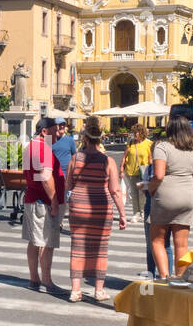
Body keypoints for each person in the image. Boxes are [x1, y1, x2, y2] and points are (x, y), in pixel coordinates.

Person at [64, 115, 127, 302]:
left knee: (77, 247)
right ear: (102, 137)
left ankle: (75, 290)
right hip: (101, 208)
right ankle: (99, 291)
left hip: (78, 208)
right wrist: (122, 214)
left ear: (85, 137)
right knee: (100, 249)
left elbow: (68, 186)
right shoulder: (108, 161)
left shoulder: (75, 159)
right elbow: (115, 191)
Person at [147, 116, 193, 280]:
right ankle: (180, 279)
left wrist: (151, 189)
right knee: (182, 244)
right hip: (188, 197)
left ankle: (165, 277)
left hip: (166, 196)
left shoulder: (163, 147)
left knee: (157, 241)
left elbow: (159, 175)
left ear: (169, 130)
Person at [22, 118, 64, 293]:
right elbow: (45, 177)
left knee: (34, 241)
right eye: (55, 130)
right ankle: (47, 281)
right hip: (43, 201)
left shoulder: (30, 147)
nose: (58, 134)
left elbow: (30, 175)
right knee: (47, 242)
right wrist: (54, 201)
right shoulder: (43, 148)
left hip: (33, 198)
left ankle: (34, 278)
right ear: (45, 132)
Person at [122, 124, 152, 224]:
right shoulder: (130, 143)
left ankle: (142, 212)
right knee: (134, 193)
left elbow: (151, 159)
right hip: (131, 171)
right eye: (134, 132)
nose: (135, 134)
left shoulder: (149, 144)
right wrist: (121, 168)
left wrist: (151, 171)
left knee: (142, 193)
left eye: (137, 132)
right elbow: (125, 156)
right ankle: (136, 213)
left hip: (144, 172)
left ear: (142, 133)